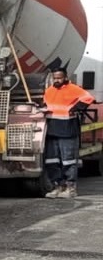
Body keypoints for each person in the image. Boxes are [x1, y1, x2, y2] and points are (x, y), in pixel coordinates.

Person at [39, 58, 93, 198]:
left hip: (67, 130)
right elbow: (47, 104)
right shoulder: (49, 91)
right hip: (52, 130)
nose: (57, 80)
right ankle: (57, 186)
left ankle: (70, 188)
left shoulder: (73, 89)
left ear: (65, 77)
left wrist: (75, 109)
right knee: (52, 160)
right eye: (55, 78)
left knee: (68, 160)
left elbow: (88, 98)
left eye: (59, 78)